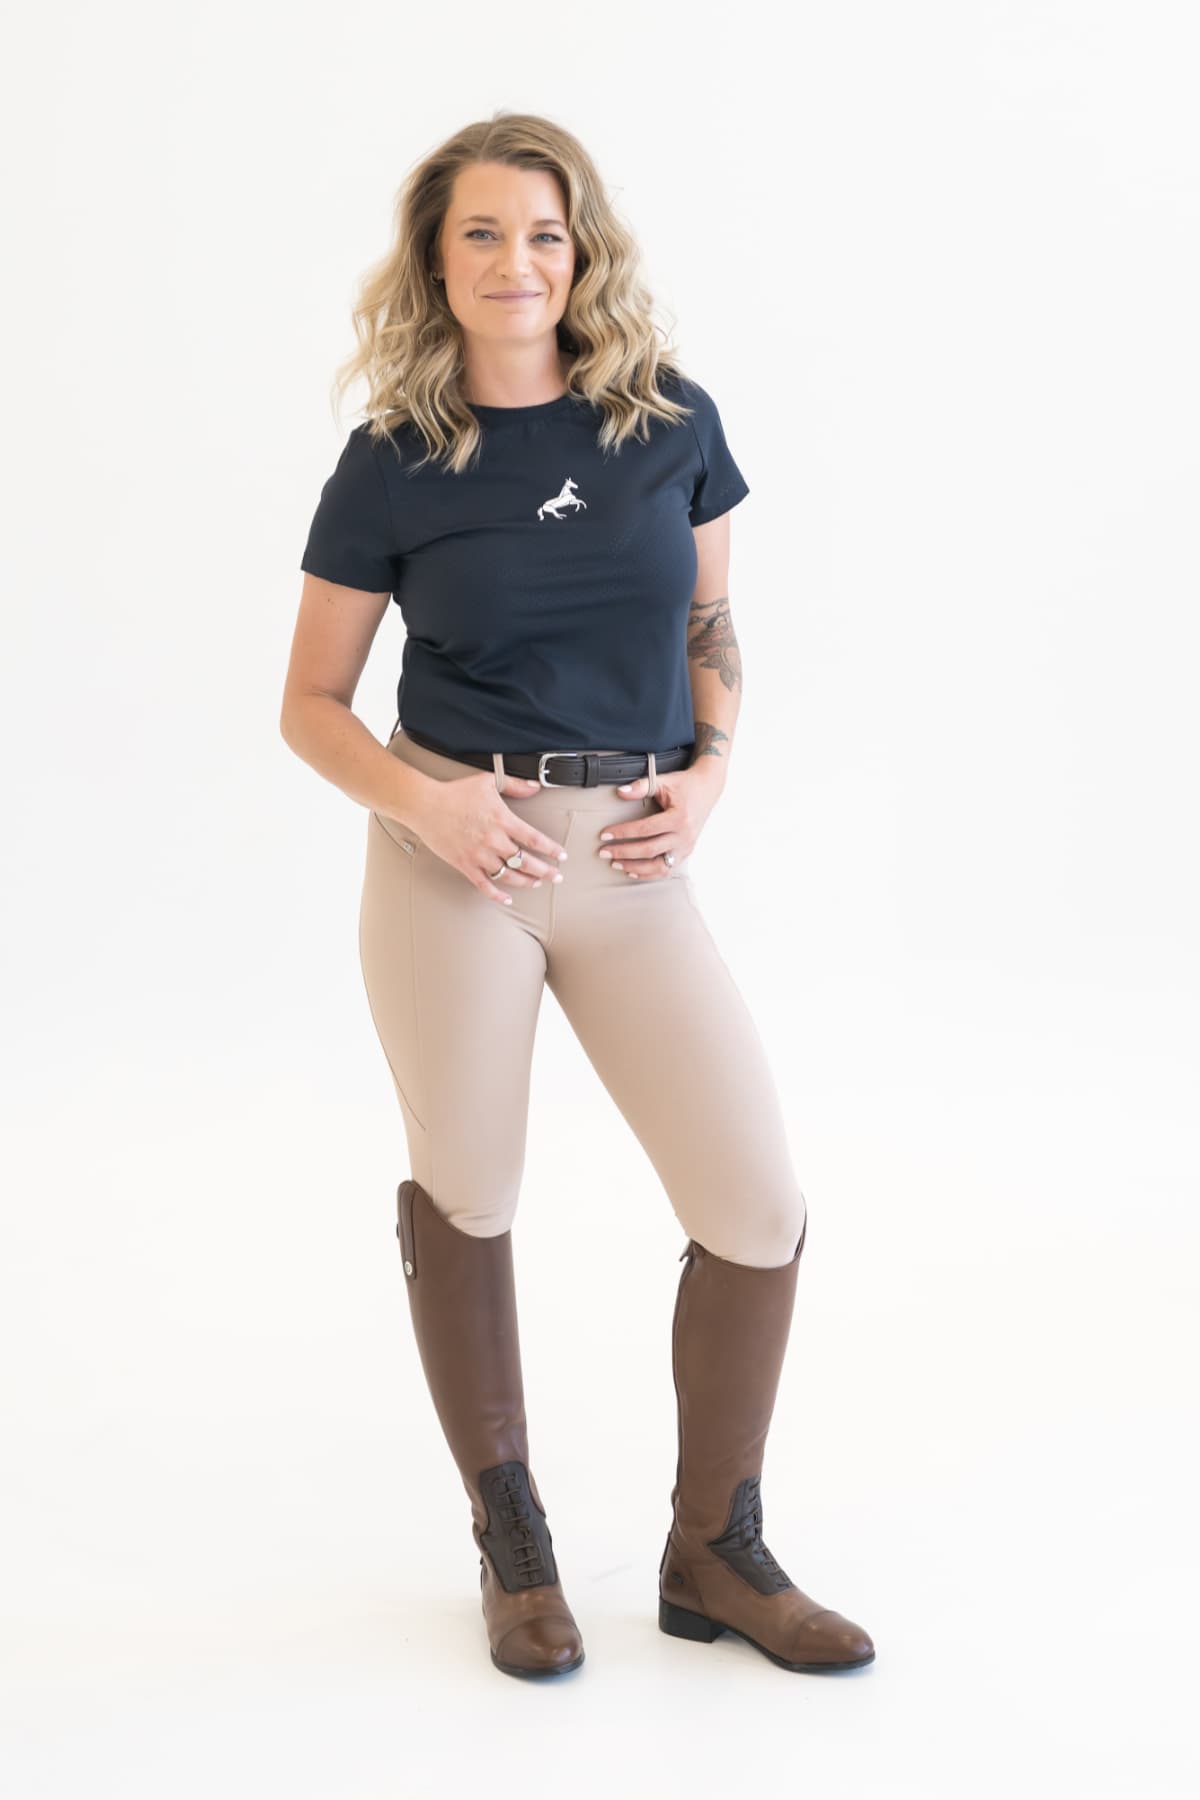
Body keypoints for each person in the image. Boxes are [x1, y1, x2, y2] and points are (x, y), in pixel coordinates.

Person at [280, 111, 875, 1682]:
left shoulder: (670, 424)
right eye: (481, 232)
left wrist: (714, 769)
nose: (517, 261)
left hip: (628, 856)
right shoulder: (392, 464)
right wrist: (427, 804)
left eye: (543, 232)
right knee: (470, 1191)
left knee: (755, 1208)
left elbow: (710, 622)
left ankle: (713, 1552)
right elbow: (310, 706)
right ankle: (514, 1544)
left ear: (582, 250)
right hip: (454, 855)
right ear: (436, 261)